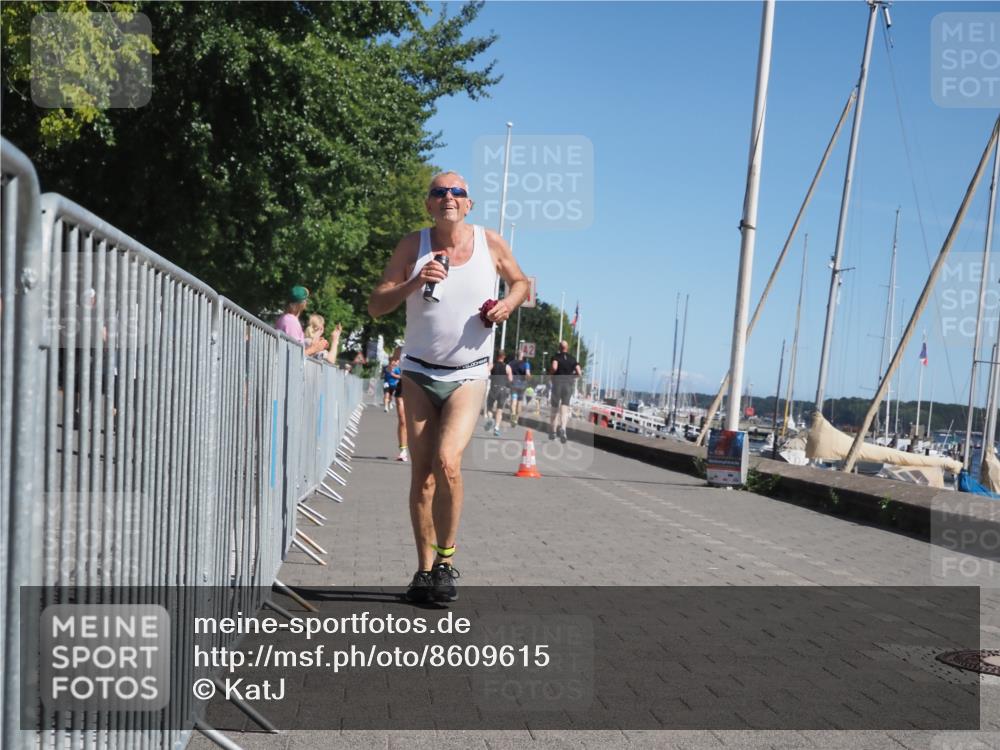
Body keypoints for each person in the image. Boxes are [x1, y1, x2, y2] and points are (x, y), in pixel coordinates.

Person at [368, 171, 528, 603]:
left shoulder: (490, 243)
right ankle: (423, 573)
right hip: (418, 372)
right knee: (422, 479)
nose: (448, 198)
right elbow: (377, 304)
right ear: (429, 204)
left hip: (469, 373)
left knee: (447, 462)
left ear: (469, 204)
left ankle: (445, 562)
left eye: (457, 192)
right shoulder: (412, 245)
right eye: (439, 192)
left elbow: (521, 282)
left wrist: (507, 305)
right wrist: (415, 281)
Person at [275, 285, 327, 357]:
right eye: (305, 300)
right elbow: (295, 356)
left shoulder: (285, 318)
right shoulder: (291, 321)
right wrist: (315, 348)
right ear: (302, 304)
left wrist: (315, 344)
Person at [549, 340, 581, 443]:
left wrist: (551, 374)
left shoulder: (556, 357)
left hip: (557, 384)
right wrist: (572, 377)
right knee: (565, 407)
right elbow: (579, 372)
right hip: (568, 385)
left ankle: (553, 432)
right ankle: (563, 428)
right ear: (567, 348)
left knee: (554, 408)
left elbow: (554, 367)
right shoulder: (572, 359)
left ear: (559, 348)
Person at [485, 350, 512, 437]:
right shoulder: (507, 367)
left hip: (493, 388)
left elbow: (485, 372)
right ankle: (496, 428)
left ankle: (490, 419)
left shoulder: (492, 365)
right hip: (503, 389)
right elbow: (510, 379)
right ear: (504, 357)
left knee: (489, 407)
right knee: (499, 410)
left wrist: (490, 376)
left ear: (497, 356)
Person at [390, 345, 409, 462]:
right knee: (402, 419)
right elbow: (389, 368)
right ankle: (403, 450)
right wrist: (392, 367)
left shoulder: (423, 343)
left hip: (418, 387)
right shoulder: (399, 349)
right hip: (402, 386)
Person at [509, 350, 532, 427]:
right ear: (522, 356)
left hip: (514, 385)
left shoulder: (511, 363)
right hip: (522, 386)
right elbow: (528, 374)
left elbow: (508, 373)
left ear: (517, 355)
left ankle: (513, 417)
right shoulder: (526, 364)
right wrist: (529, 378)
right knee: (519, 402)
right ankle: (516, 419)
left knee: (513, 402)